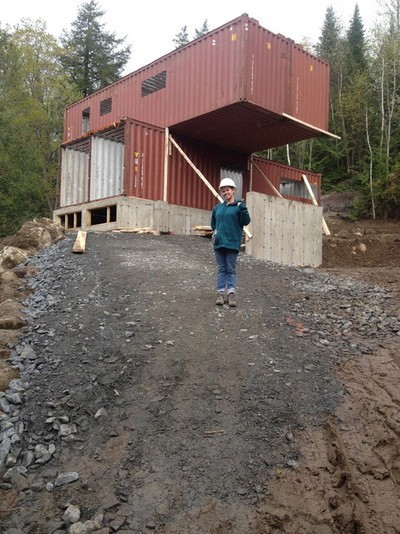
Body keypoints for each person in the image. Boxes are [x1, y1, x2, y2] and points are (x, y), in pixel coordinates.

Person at [211, 177, 251, 307]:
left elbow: (246, 221)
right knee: (222, 270)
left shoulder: (239, 207)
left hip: (232, 244)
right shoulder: (217, 208)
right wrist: (217, 236)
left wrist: (243, 208)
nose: (225, 193)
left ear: (233, 190)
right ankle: (220, 294)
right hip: (219, 244)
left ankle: (231, 294)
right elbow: (213, 225)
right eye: (223, 191)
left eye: (227, 190)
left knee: (231, 270)